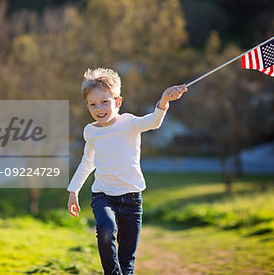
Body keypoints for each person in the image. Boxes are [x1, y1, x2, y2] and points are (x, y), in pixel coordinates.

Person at [67, 68, 187, 275]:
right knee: (105, 230)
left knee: (127, 262)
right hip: (103, 196)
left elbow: (153, 122)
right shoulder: (91, 131)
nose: (99, 108)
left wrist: (164, 101)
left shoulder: (129, 123)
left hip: (131, 200)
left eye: (105, 101)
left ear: (118, 102)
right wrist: (73, 191)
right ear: (87, 107)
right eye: (93, 104)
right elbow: (87, 161)